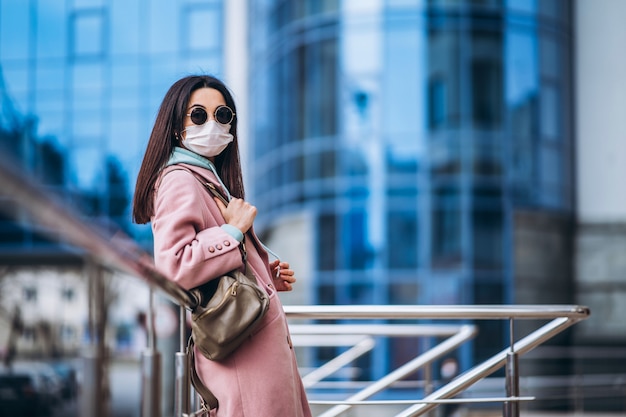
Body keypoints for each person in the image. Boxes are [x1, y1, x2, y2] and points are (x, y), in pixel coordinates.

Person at [132, 74, 312, 417]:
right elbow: (174, 266)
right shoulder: (180, 180)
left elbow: (211, 265)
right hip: (242, 359)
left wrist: (263, 281)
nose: (212, 124)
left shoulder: (206, 179)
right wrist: (232, 231)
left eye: (223, 115)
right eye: (198, 115)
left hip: (251, 351)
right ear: (176, 126)